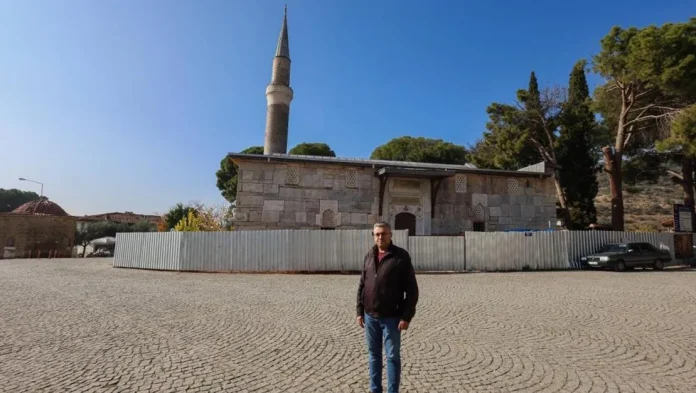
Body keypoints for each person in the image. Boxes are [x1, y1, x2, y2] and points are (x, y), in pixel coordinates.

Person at [356, 222, 419, 393]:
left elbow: (412, 290)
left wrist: (406, 316)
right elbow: (363, 284)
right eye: (377, 234)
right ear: (373, 235)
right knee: (374, 356)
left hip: (392, 317)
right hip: (370, 316)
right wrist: (359, 311)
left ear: (391, 235)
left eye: (383, 233)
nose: (380, 237)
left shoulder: (400, 257)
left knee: (392, 357)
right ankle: (375, 389)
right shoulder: (369, 255)